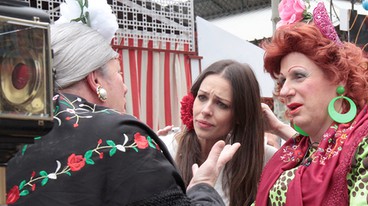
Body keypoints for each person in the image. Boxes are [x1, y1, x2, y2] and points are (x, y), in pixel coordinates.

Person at [5, 0, 239, 205]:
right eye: (120, 74)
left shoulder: (17, 130)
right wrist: (203, 186)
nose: (125, 87)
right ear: (95, 80)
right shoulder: (120, 137)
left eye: (222, 104)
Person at [254, 1, 368, 205]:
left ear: (339, 78)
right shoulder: (298, 149)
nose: (284, 91)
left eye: (298, 76)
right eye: (283, 80)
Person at [161, 60, 278, 205]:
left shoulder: (263, 158)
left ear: (240, 115)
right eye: (202, 97)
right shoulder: (165, 151)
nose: (205, 110)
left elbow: (312, 167)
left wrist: (280, 128)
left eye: (221, 104)